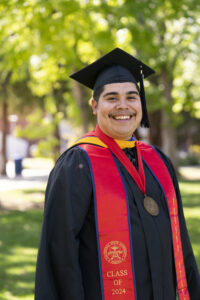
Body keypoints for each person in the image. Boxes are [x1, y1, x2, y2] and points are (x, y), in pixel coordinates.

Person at [35, 48, 200, 300]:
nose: (123, 106)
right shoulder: (78, 163)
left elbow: (181, 244)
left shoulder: (158, 161)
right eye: (112, 98)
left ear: (140, 103)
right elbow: (61, 256)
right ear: (94, 105)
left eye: (131, 97)